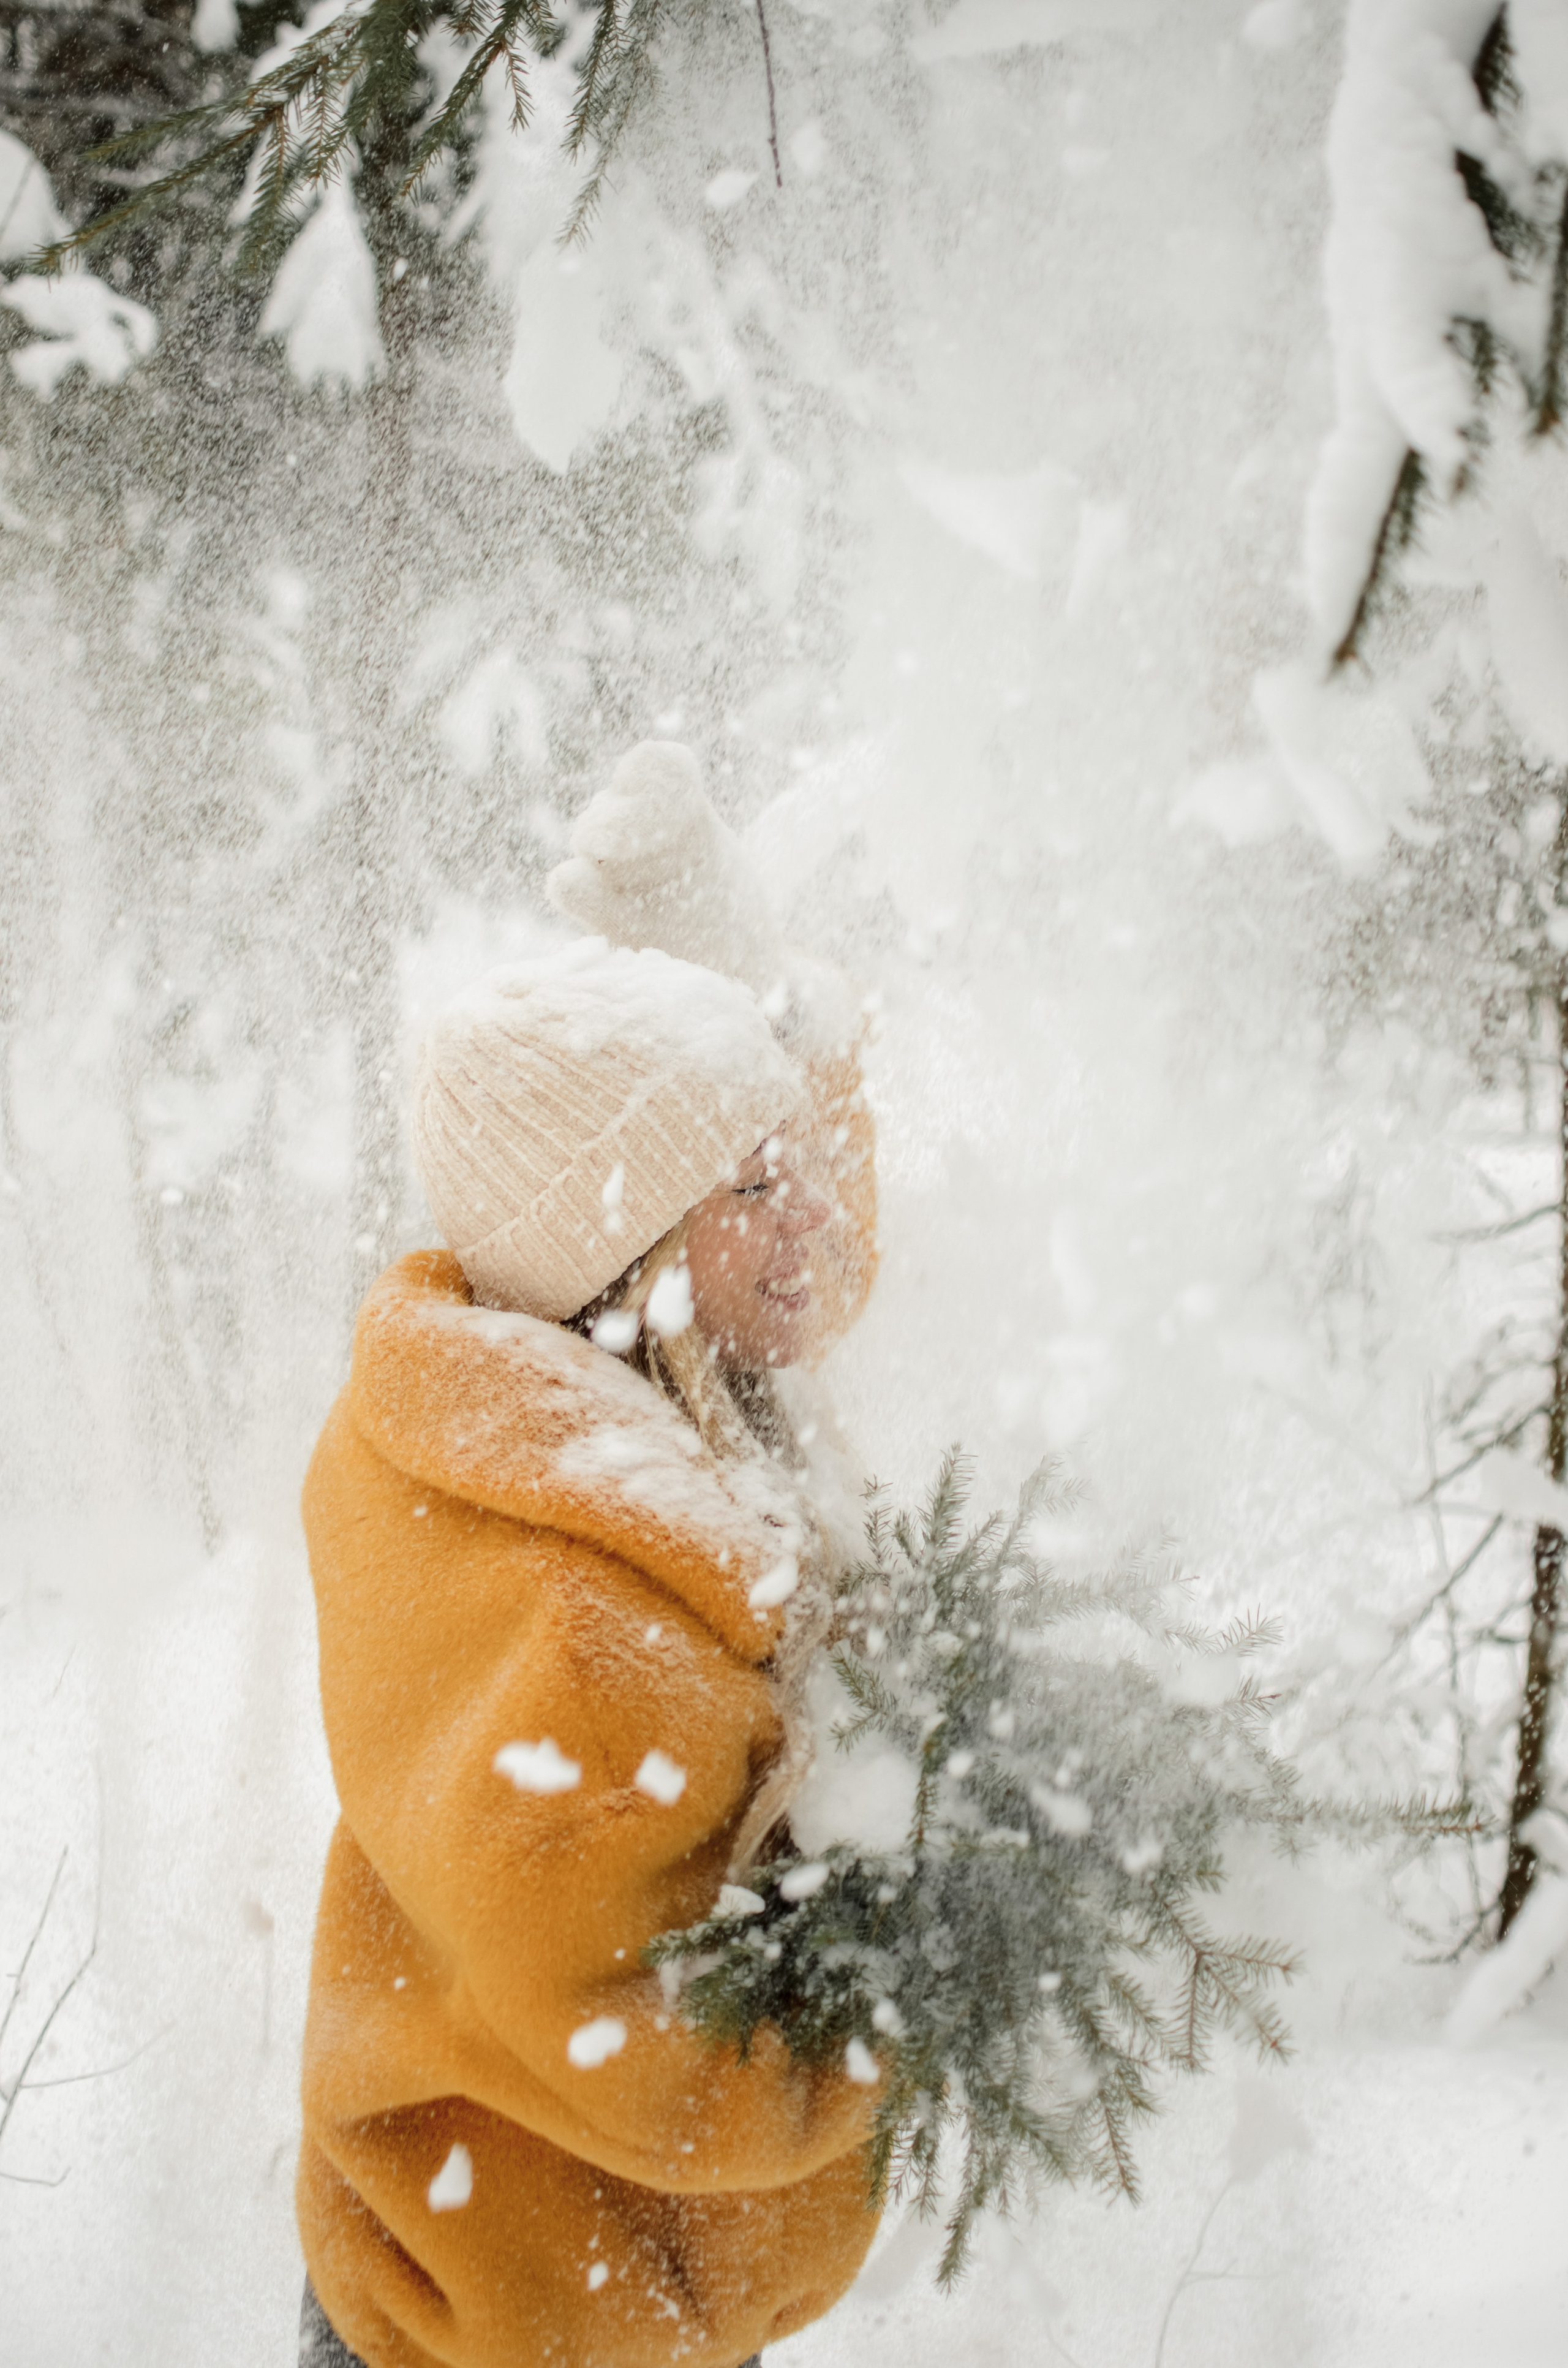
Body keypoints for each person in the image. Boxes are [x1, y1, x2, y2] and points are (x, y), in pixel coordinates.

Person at [296, 745, 881, 2368]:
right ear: (630, 1250)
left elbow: (808, 1256)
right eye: (756, 1185)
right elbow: (688, 2063)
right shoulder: (578, 1621)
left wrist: (742, 983)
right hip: (518, 2338)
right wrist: (927, 1948)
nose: (814, 1218)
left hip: (541, 2289)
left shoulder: (515, 1396)